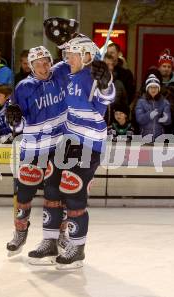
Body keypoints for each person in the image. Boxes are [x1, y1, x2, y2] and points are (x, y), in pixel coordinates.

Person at [51, 35, 115, 269]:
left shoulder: (93, 75)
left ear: (87, 55)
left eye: (73, 53)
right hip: (69, 141)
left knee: (74, 191)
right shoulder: (69, 74)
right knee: (58, 189)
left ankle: (77, 248)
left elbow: (108, 96)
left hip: (89, 145)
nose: (68, 57)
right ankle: (61, 236)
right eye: (68, 53)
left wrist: (106, 81)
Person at [6, 46, 70, 261]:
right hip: (33, 150)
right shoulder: (24, 87)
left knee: (55, 193)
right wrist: (14, 120)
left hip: (59, 147)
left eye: (46, 61)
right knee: (23, 193)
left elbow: (80, 59)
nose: (43, 66)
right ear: (30, 67)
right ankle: (20, 232)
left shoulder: (61, 72)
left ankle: (57, 235)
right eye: (38, 63)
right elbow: (17, 122)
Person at [135, 74, 171, 142]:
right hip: (145, 136)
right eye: (151, 87)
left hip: (160, 137)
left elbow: (168, 121)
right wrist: (149, 115)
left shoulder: (164, 102)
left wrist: (165, 119)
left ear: (159, 89)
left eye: (155, 87)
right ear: (147, 89)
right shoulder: (141, 102)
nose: (153, 89)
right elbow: (139, 119)